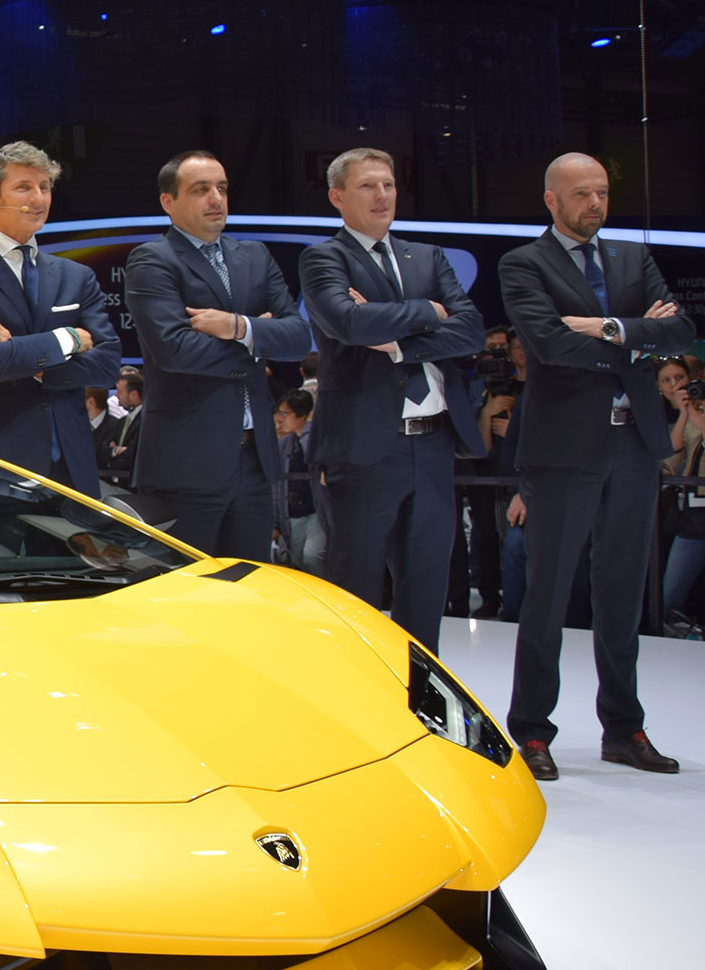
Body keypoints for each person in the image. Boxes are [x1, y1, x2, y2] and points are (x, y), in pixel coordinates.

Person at [497, 152, 698, 780]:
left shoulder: (632, 258)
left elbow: (682, 332)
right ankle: (532, 730)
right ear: (552, 200)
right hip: (564, 449)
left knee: (623, 592)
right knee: (549, 591)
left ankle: (624, 728)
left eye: (603, 192)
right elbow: (550, 344)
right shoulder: (524, 263)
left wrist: (608, 327)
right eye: (582, 194)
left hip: (634, 444)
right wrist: (637, 339)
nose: (596, 204)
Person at [298, 148, 485, 652]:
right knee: (357, 590)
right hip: (365, 449)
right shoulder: (324, 258)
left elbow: (471, 330)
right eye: (367, 186)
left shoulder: (427, 256)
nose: (382, 195)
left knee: (426, 591)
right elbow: (349, 323)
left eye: (388, 184)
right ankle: (357, 696)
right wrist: (430, 311)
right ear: (337, 196)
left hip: (434, 445)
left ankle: (418, 695)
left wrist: (399, 342)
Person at [124, 150, 313, 560]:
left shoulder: (255, 256)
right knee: (186, 590)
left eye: (222, 189)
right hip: (185, 461)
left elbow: (299, 338)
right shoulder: (153, 260)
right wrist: (260, 343)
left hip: (256, 460)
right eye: (201, 189)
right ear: (168, 201)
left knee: (247, 586)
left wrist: (238, 327)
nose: (216, 199)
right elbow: (175, 350)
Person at [0, 141, 120, 493]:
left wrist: (22, 355)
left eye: (44, 187)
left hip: (73, 466)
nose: (38, 198)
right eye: (24, 187)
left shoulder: (77, 276)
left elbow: (108, 365)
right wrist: (68, 339)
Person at [660, 357, 705, 638]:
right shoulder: (694, 416)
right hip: (690, 520)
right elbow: (670, 461)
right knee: (669, 596)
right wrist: (686, 415)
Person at [272, 389, 325, 575]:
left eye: (285, 413)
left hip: (315, 510)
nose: (280, 419)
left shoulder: (316, 439)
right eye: (279, 413)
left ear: (301, 415)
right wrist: (275, 522)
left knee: (312, 555)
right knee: (297, 559)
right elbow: (277, 485)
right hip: (292, 511)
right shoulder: (284, 443)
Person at [101, 371, 144, 480]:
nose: (116, 395)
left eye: (119, 391)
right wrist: (116, 450)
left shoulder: (145, 422)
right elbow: (103, 450)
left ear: (133, 395)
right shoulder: (122, 421)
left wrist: (113, 456)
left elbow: (132, 455)